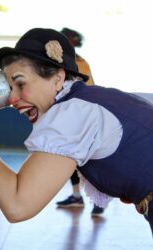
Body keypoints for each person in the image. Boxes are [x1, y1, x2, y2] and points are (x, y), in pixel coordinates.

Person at [0, 28, 153, 236]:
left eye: (20, 83)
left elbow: (17, 205)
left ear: (57, 79)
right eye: (10, 89)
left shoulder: (73, 113)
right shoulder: (98, 100)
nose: (12, 99)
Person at [56, 27, 104, 216]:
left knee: (90, 161)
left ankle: (100, 199)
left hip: (84, 117)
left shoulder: (79, 63)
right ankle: (76, 196)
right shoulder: (65, 62)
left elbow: (88, 91)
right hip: (70, 116)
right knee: (71, 159)